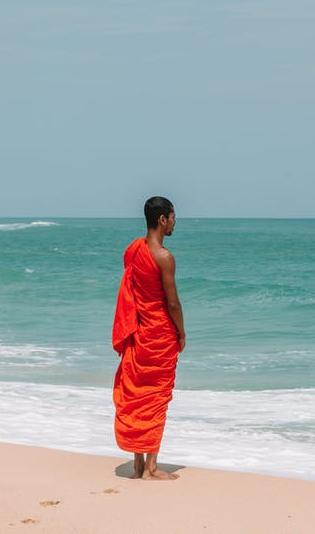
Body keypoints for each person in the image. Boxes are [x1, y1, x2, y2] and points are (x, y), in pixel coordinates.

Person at [111, 196, 186, 480]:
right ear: (162, 220)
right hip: (159, 334)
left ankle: (138, 463)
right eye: (173, 217)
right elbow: (173, 303)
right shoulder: (164, 257)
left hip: (138, 332)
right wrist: (182, 331)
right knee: (156, 397)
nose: (175, 223)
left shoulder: (134, 250)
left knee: (137, 394)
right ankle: (152, 469)